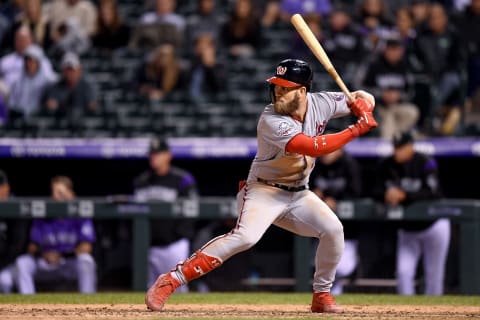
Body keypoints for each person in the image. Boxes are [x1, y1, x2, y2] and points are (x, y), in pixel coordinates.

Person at [145, 58, 378, 313]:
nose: (278, 92)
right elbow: (311, 147)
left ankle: (321, 296)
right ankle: (172, 280)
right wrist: (355, 129)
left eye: (285, 87)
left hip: (299, 193)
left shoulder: (321, 102)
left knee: (333, 230)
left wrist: (363, 104)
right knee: (245, 237)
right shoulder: (271, 118)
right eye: (277, 86)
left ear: (302, 91)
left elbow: (363, 95)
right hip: (263, 191)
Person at [374, 131, 448, 295]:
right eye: (395, 147)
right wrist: (385, 195)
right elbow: (375, 190)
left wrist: (406, 196)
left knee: (434, 276)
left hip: (433, 225)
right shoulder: (387, 164)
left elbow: (434, 193)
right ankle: (407, 313)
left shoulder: (425, 162)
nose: (397, 151)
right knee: (403, 273)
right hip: (408, 229)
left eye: (401, 147)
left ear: (411, 147)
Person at [0, 175, 97, 294]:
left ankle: (88, 303)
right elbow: (31, 248)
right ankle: (29, 305)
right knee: (23, 262)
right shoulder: (44, 215)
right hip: (45, 263)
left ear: (71, 194)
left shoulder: (80, 215)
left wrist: (62, 255)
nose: (56, 196)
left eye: (60, 192)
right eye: (53, 192)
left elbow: (87, 247)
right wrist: (44, 254)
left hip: (68, 263)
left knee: (86, 260)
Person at [133, 137, 198, 291]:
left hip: (174, 245)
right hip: (148, 246)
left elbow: (192, 210)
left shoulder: (182, 179)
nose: (154, 157)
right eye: (152, 154)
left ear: (168, 155)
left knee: (178, 290)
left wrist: (180, 234)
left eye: (158, 153)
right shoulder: (141, 181)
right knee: (149, 292)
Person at [309, 147, 362, 295]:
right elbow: (306, 188)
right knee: (320, 267)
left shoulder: (350, 164)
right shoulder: (316, 165)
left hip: (347, 230)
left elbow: (356, 191)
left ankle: (355, 268)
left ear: (339, 150)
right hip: (322, 229)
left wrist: (335, 199)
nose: (325, 153)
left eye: (330, 149)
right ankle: (328, 296)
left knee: (342, 267)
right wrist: (315, 195)